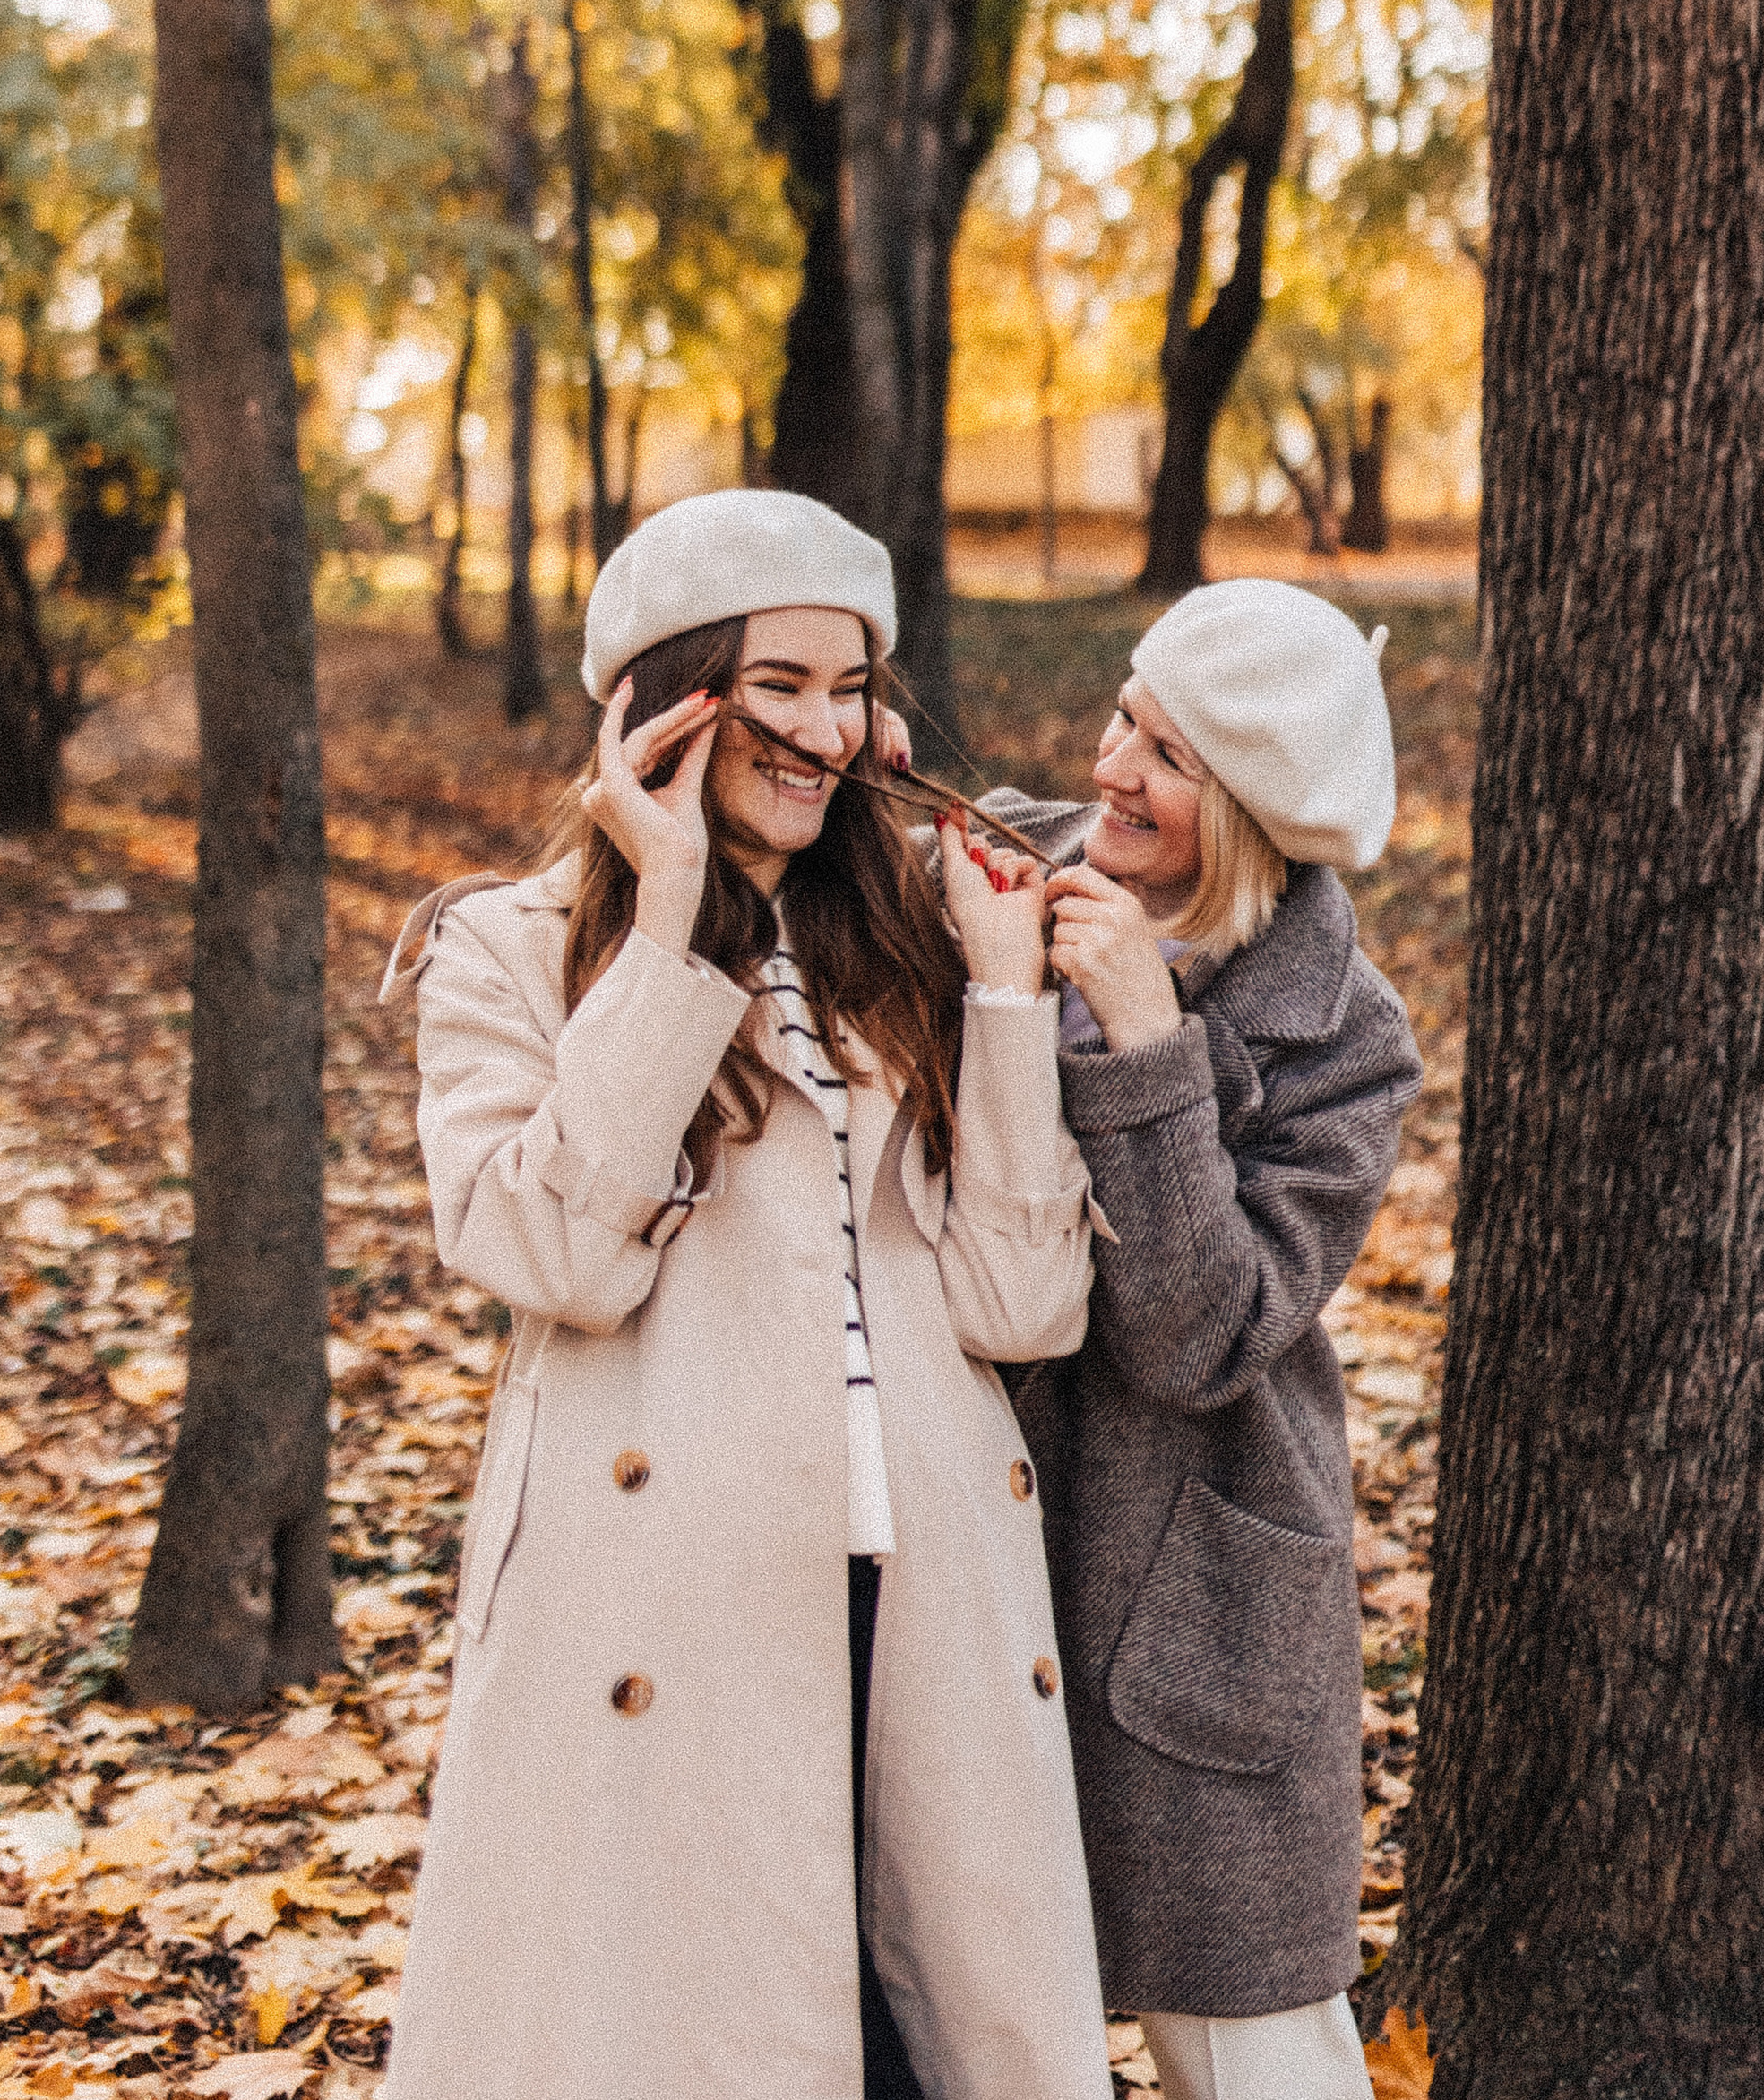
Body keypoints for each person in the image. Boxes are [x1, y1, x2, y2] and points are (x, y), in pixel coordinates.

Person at [378, 489, 1114, 2100]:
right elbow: (552, 1256)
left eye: (849, 688)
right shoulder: (504, 951)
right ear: (662, 700)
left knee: (927, 2052)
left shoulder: (918, 933)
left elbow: (1023, 1302)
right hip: (664, 1602)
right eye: (774, 685)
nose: (823, 730)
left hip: (921, 1587)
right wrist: (664, 921)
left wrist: (1000, 994)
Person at [983, 578, 1425, 2100]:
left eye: (1163, 755)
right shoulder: (1002, 867)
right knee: (954, 2001)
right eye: (1122, 712)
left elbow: (1202, 1336)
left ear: (1239, 809)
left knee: (1250, 2050)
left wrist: (1148, 1049)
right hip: (972, 1541)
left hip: (1191, 1572)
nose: (1109, 765)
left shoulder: (1343, 1033)